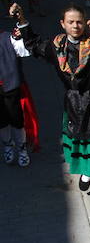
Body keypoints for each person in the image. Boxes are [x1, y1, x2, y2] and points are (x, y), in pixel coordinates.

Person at [14, 3, 90, 226]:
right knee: (89, 155)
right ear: (62, 24)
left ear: (85, 22)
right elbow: (32, 43)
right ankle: (87, 172)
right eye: (70, 22)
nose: (75, 26)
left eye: (79, 21)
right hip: (75, 107)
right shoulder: (56, 46)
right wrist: (22, 18)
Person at [0, 25, 38, 167]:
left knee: (17, 120)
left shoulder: (8, 37)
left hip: (11, 86)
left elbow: (25, 52)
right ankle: (8, 145)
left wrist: (19, 37)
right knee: (1, 122)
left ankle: (21, 149)